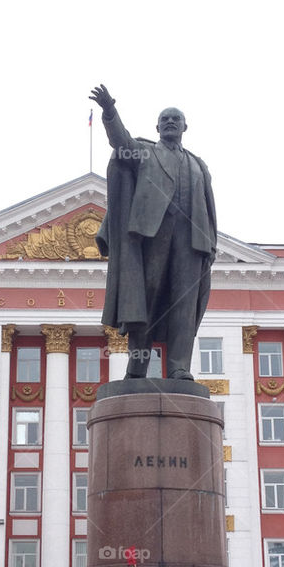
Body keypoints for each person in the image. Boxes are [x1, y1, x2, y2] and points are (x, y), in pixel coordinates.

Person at [90, 84, 216, 379]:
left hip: (192, 242)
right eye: (165, 119)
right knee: (143, 300)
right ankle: (137, 368)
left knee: (185, 305)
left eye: (176, 119)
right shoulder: (145, 152)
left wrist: (210, 244)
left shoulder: (199, 165)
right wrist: (110, 111)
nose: (170, 122)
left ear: (185, 126)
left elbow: (209, 208)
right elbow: (119, 140)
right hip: (152, 237)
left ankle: (179, 367)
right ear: (157, 127)